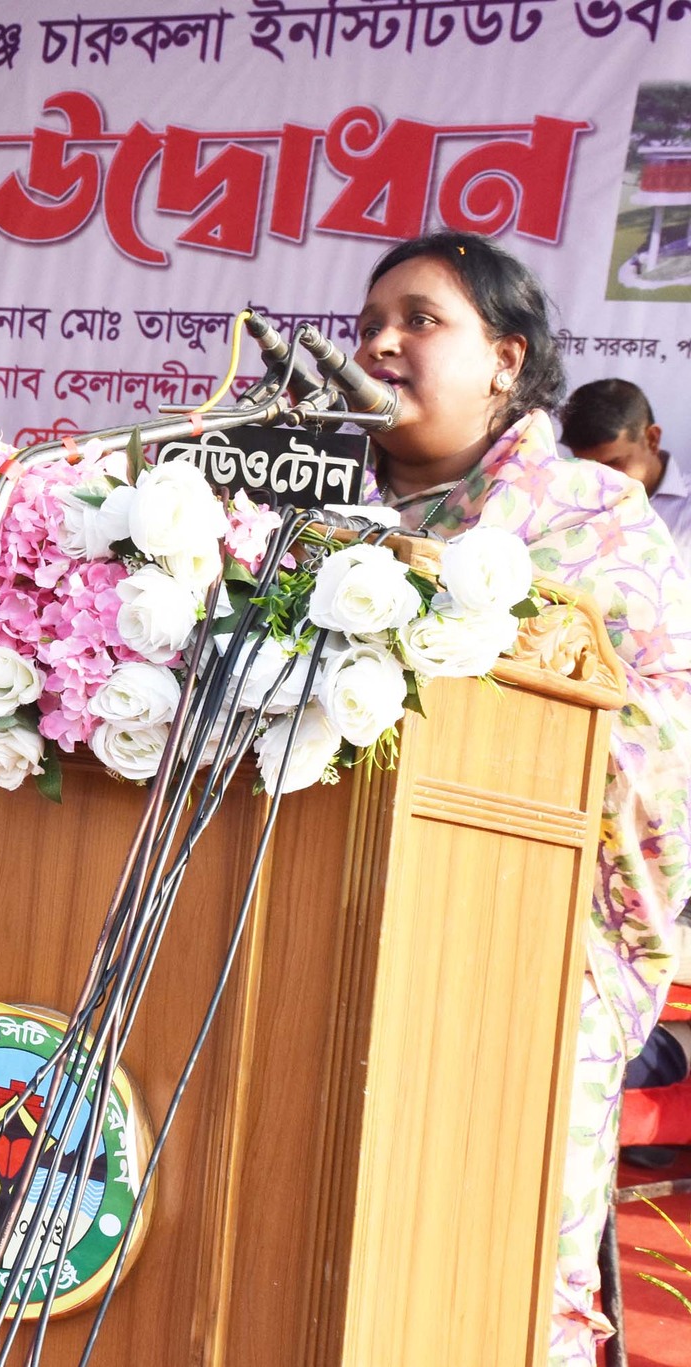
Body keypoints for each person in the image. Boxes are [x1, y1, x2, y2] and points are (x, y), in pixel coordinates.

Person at [352, 231, 691, 1365]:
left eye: (419, 319)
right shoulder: (333, 532)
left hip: (520, 961)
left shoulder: (589, 519)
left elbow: (652, 741)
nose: (380, 343)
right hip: (339, 948)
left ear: (506, 358)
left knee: (479, 1278)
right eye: (370, 324)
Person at [561, 378, 689, 560]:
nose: (601, 478)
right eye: (588, 466)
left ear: (652, 439)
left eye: (613, 462)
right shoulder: (565, 504)